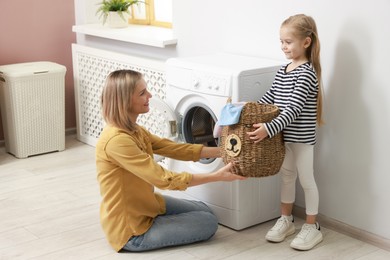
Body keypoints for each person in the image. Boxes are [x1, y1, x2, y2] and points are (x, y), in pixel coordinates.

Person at [96, 69, 246, 252]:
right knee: (209, 222)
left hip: (147, 203)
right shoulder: (117, 141)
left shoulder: (134, 130)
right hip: (132, 230)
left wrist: (224, 152)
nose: (149, 95)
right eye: (142, 93)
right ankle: (158, 226)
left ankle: (162, 221)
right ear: (125, 101)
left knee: (204, 210)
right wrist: (217, 176)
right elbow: (163, 179)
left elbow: (173, 148)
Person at [247, 14, 324, 250]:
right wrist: (249, 107)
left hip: (300, 139)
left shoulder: (306, 73)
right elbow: (271, 99)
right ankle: (287, 220)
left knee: (306, 180)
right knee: (287, 176)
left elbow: (292, 109)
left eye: (288, 42)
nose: (283, 47)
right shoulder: (284, 70)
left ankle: (312, 226)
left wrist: (268, 129)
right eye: (281, 41)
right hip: (284, 137)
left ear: (306, 42)